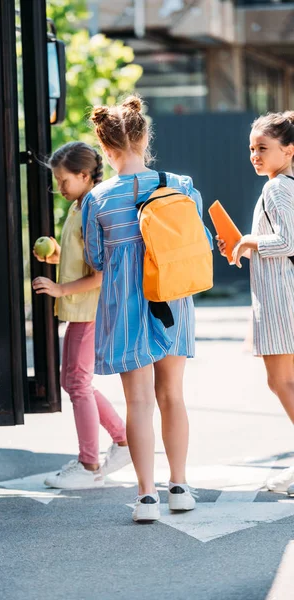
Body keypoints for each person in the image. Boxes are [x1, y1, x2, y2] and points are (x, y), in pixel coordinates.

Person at [82, 96, 212, 521]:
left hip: (126, 309)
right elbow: (201, 245)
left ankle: (146, 497)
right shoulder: (181, 184)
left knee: (138, 402)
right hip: (173, 300)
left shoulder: (97, 199)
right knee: (173, 395)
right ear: (145, 137)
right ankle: (180, 486)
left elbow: (98, 261)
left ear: (105, 148)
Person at [32, 142, 131, 490]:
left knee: (76, 383)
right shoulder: (79, 206)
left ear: (85, 175)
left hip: (90, 310)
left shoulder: (91, 209)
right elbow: (84, 262)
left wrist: (59, 289)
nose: (58, 186)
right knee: (76, 382)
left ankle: (91, 465)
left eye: (63, 180)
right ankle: (121, 441)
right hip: (83, 310)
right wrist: (59, 258)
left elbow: (101, 273)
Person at [217, 112, 294, 496]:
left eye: (263, 148)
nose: (255, 155)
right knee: (284, 382)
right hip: (282, 290)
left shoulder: (278, 188)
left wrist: (247, 241)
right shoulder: (285, 185)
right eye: (252, 148)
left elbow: (288, 243)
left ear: (289, 150)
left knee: (280, 381)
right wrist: (242, 247)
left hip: (281, 299)